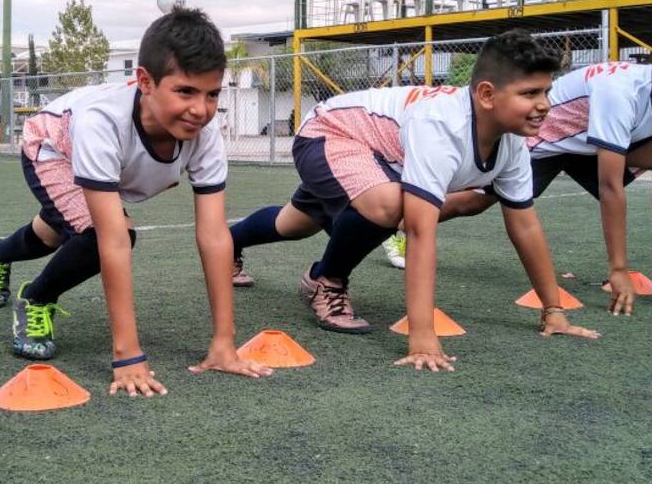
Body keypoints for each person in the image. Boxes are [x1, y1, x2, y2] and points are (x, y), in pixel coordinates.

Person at [228, 30, 599, 371]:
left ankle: (231, 242)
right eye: (530, 94)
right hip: (330, 132)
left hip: (376, 154)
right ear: (486, 95)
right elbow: (419, 230)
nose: (545, 105)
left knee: (294, 223)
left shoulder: (513, 143)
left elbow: (525, 224)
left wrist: (553, 309)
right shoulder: (442, 125)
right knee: (390, 205)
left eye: (546, 92)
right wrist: (422, 336)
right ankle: (326, 281)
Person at [0, 7, 271, 396]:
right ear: (145, 81)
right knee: (99, 234)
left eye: (212, 94)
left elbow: (215, 235)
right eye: (185, 91)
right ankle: (36, 298)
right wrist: (127, 354)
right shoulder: (102, 121)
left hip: (110, 167)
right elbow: (112, 241)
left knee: (55, 231)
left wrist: (224, 343)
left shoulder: (205, 132)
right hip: (52, 149)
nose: (201, 109)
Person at [440, 26, 652, 316]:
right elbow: (610, 186)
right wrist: (618, 270)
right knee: (472, 202)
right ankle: (415, 223)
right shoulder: (620, 91)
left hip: (587, 146)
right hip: (548, 141)